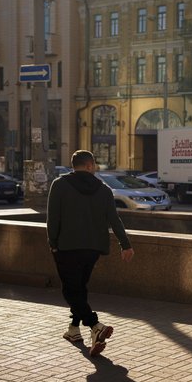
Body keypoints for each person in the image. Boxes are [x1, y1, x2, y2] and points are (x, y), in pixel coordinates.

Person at [47, 150, 134, 357]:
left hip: (66, 247)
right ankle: (74, 330)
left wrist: (53, 243)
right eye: (93, 165)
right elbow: (114, 220)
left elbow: (53, 218)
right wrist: (125, 244)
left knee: (70, 291)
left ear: (73, 165)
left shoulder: (59, 185)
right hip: (93, 248)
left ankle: (95, 325)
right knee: (80, 288)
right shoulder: (103, 189)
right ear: (89, 165)